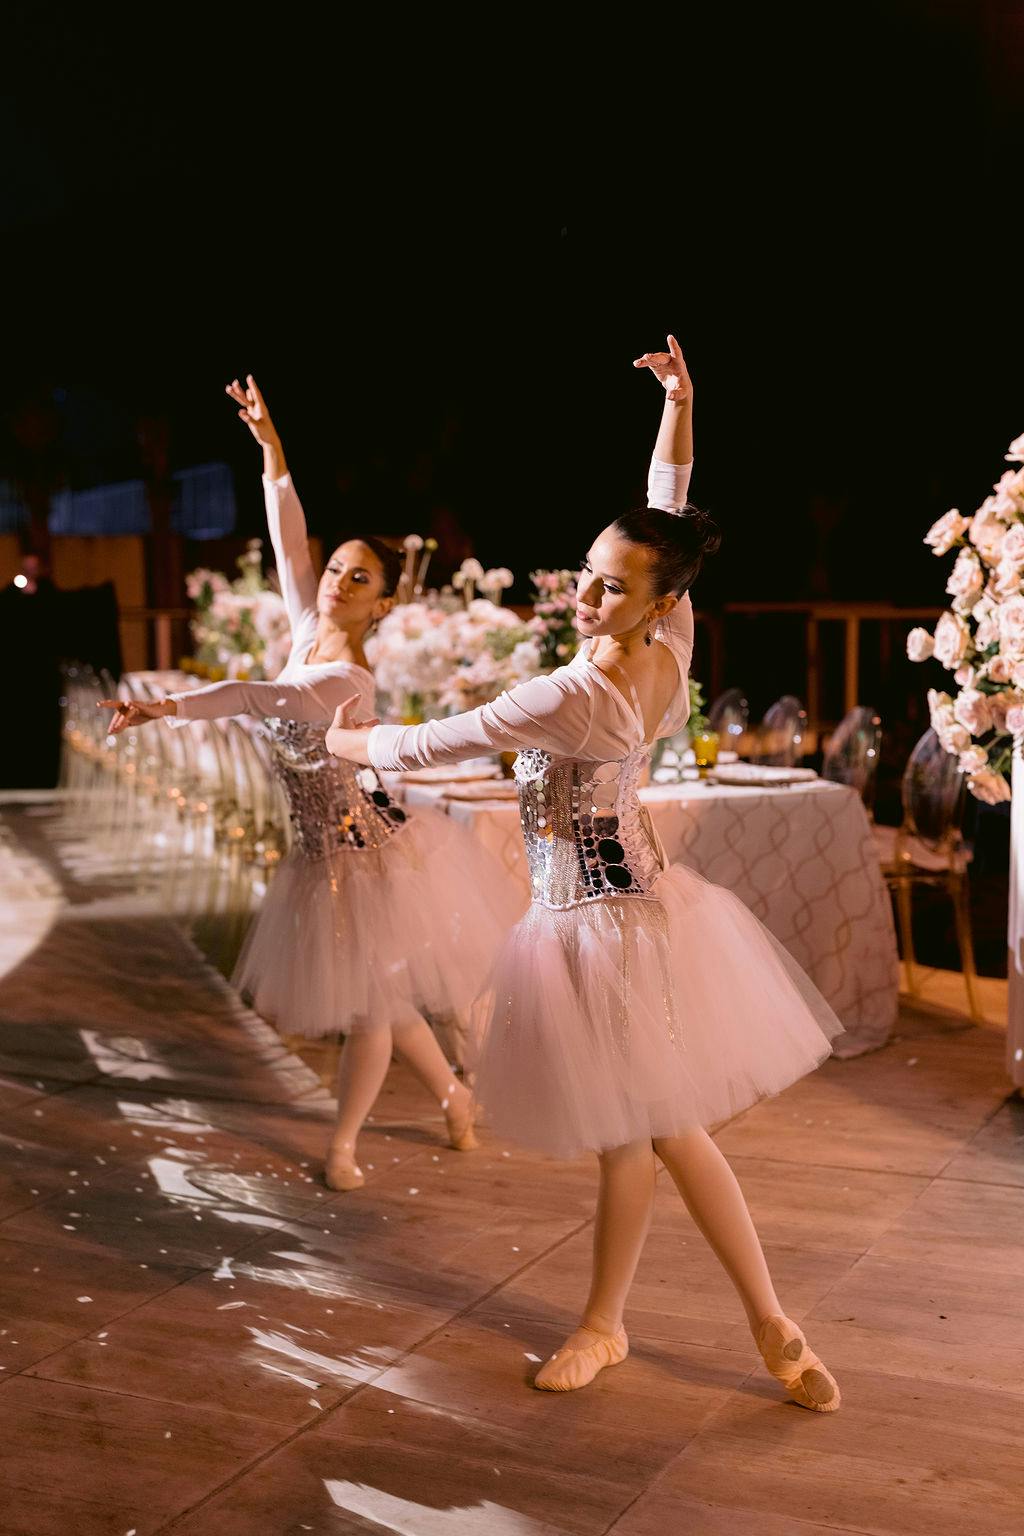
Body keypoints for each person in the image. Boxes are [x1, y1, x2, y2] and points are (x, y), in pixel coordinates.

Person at [325, 337, 845, 1412]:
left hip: (598, 925)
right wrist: (679, 407)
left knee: (656, 1127)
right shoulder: (673, 632)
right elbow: (670, 504)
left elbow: (429, 744)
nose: (585, 595)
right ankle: (622, 1324)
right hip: (629, 910)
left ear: (653, 602)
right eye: (586, 574)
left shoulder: (577, 694)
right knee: (631, 1135)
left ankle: (766, 1324)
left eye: (608, 588)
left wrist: (324, 743)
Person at [101, 377, 520, 1191]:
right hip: (317, 855)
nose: (335, 581)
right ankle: (454, 1097)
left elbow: (262, 699)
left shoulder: (347, 678)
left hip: (366, 852)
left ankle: (344, 1146)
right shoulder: (305, 629)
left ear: (384, 604)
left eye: (358, 579)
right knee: (386, 1003)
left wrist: (164, 707)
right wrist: (271, 449)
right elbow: (286, 537)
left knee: (369, 1008)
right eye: (336, 569)